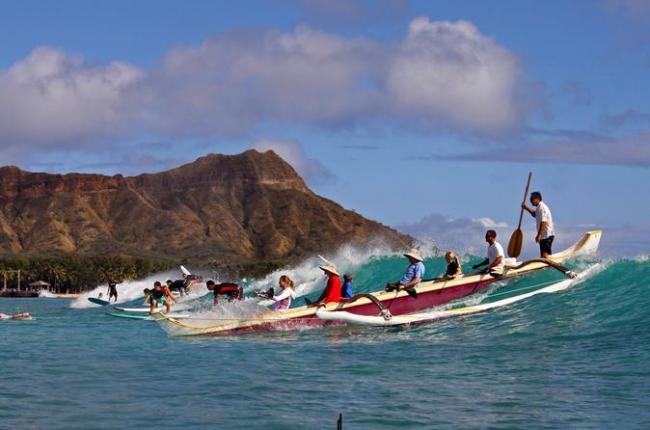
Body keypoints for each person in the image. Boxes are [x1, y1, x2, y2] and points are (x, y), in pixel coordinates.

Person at [522, 191, 555, 258]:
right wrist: (525, 208)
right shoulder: (538, 208)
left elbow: (543, 222)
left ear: (537, 198)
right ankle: (546, 267)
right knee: (543, 256)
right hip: (543, 236)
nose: (531, 202)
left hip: (547, 235)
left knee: (545, 255)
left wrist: (538, 235)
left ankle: (550, 266)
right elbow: (534, 214)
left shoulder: (542, 207)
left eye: (532, 200)